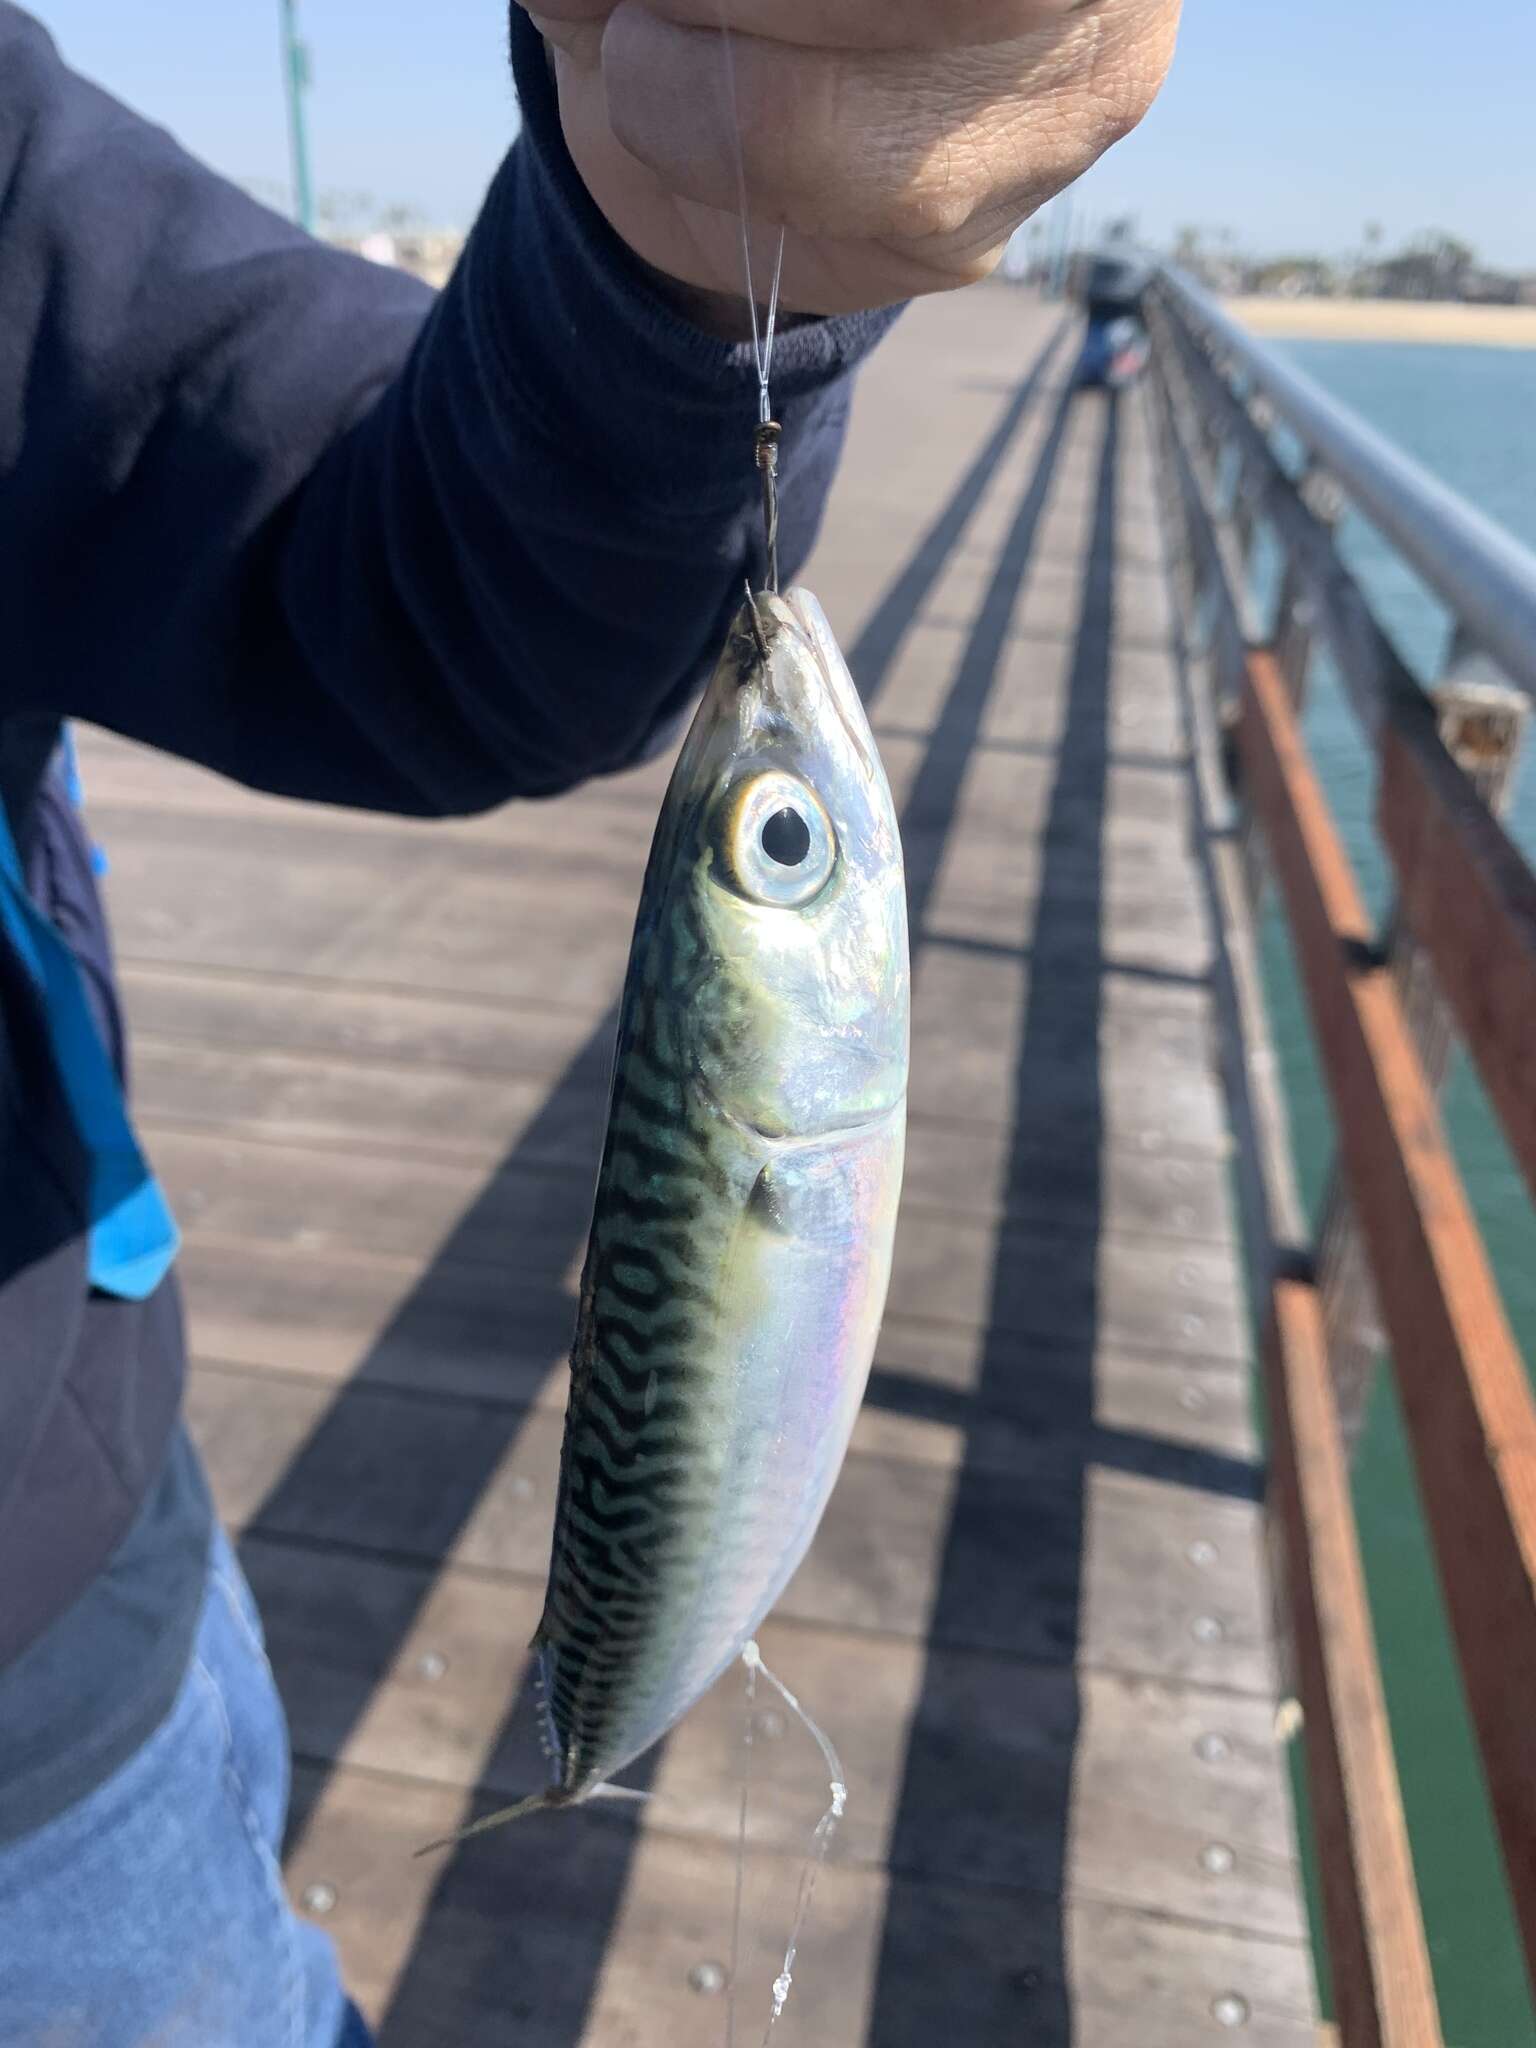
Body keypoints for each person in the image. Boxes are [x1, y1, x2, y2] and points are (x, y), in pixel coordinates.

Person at [0, 2, 1178, 2041]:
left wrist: (675, 261)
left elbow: (398, 579)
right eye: (784, 838)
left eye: (779, 839)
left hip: (43, 1688)